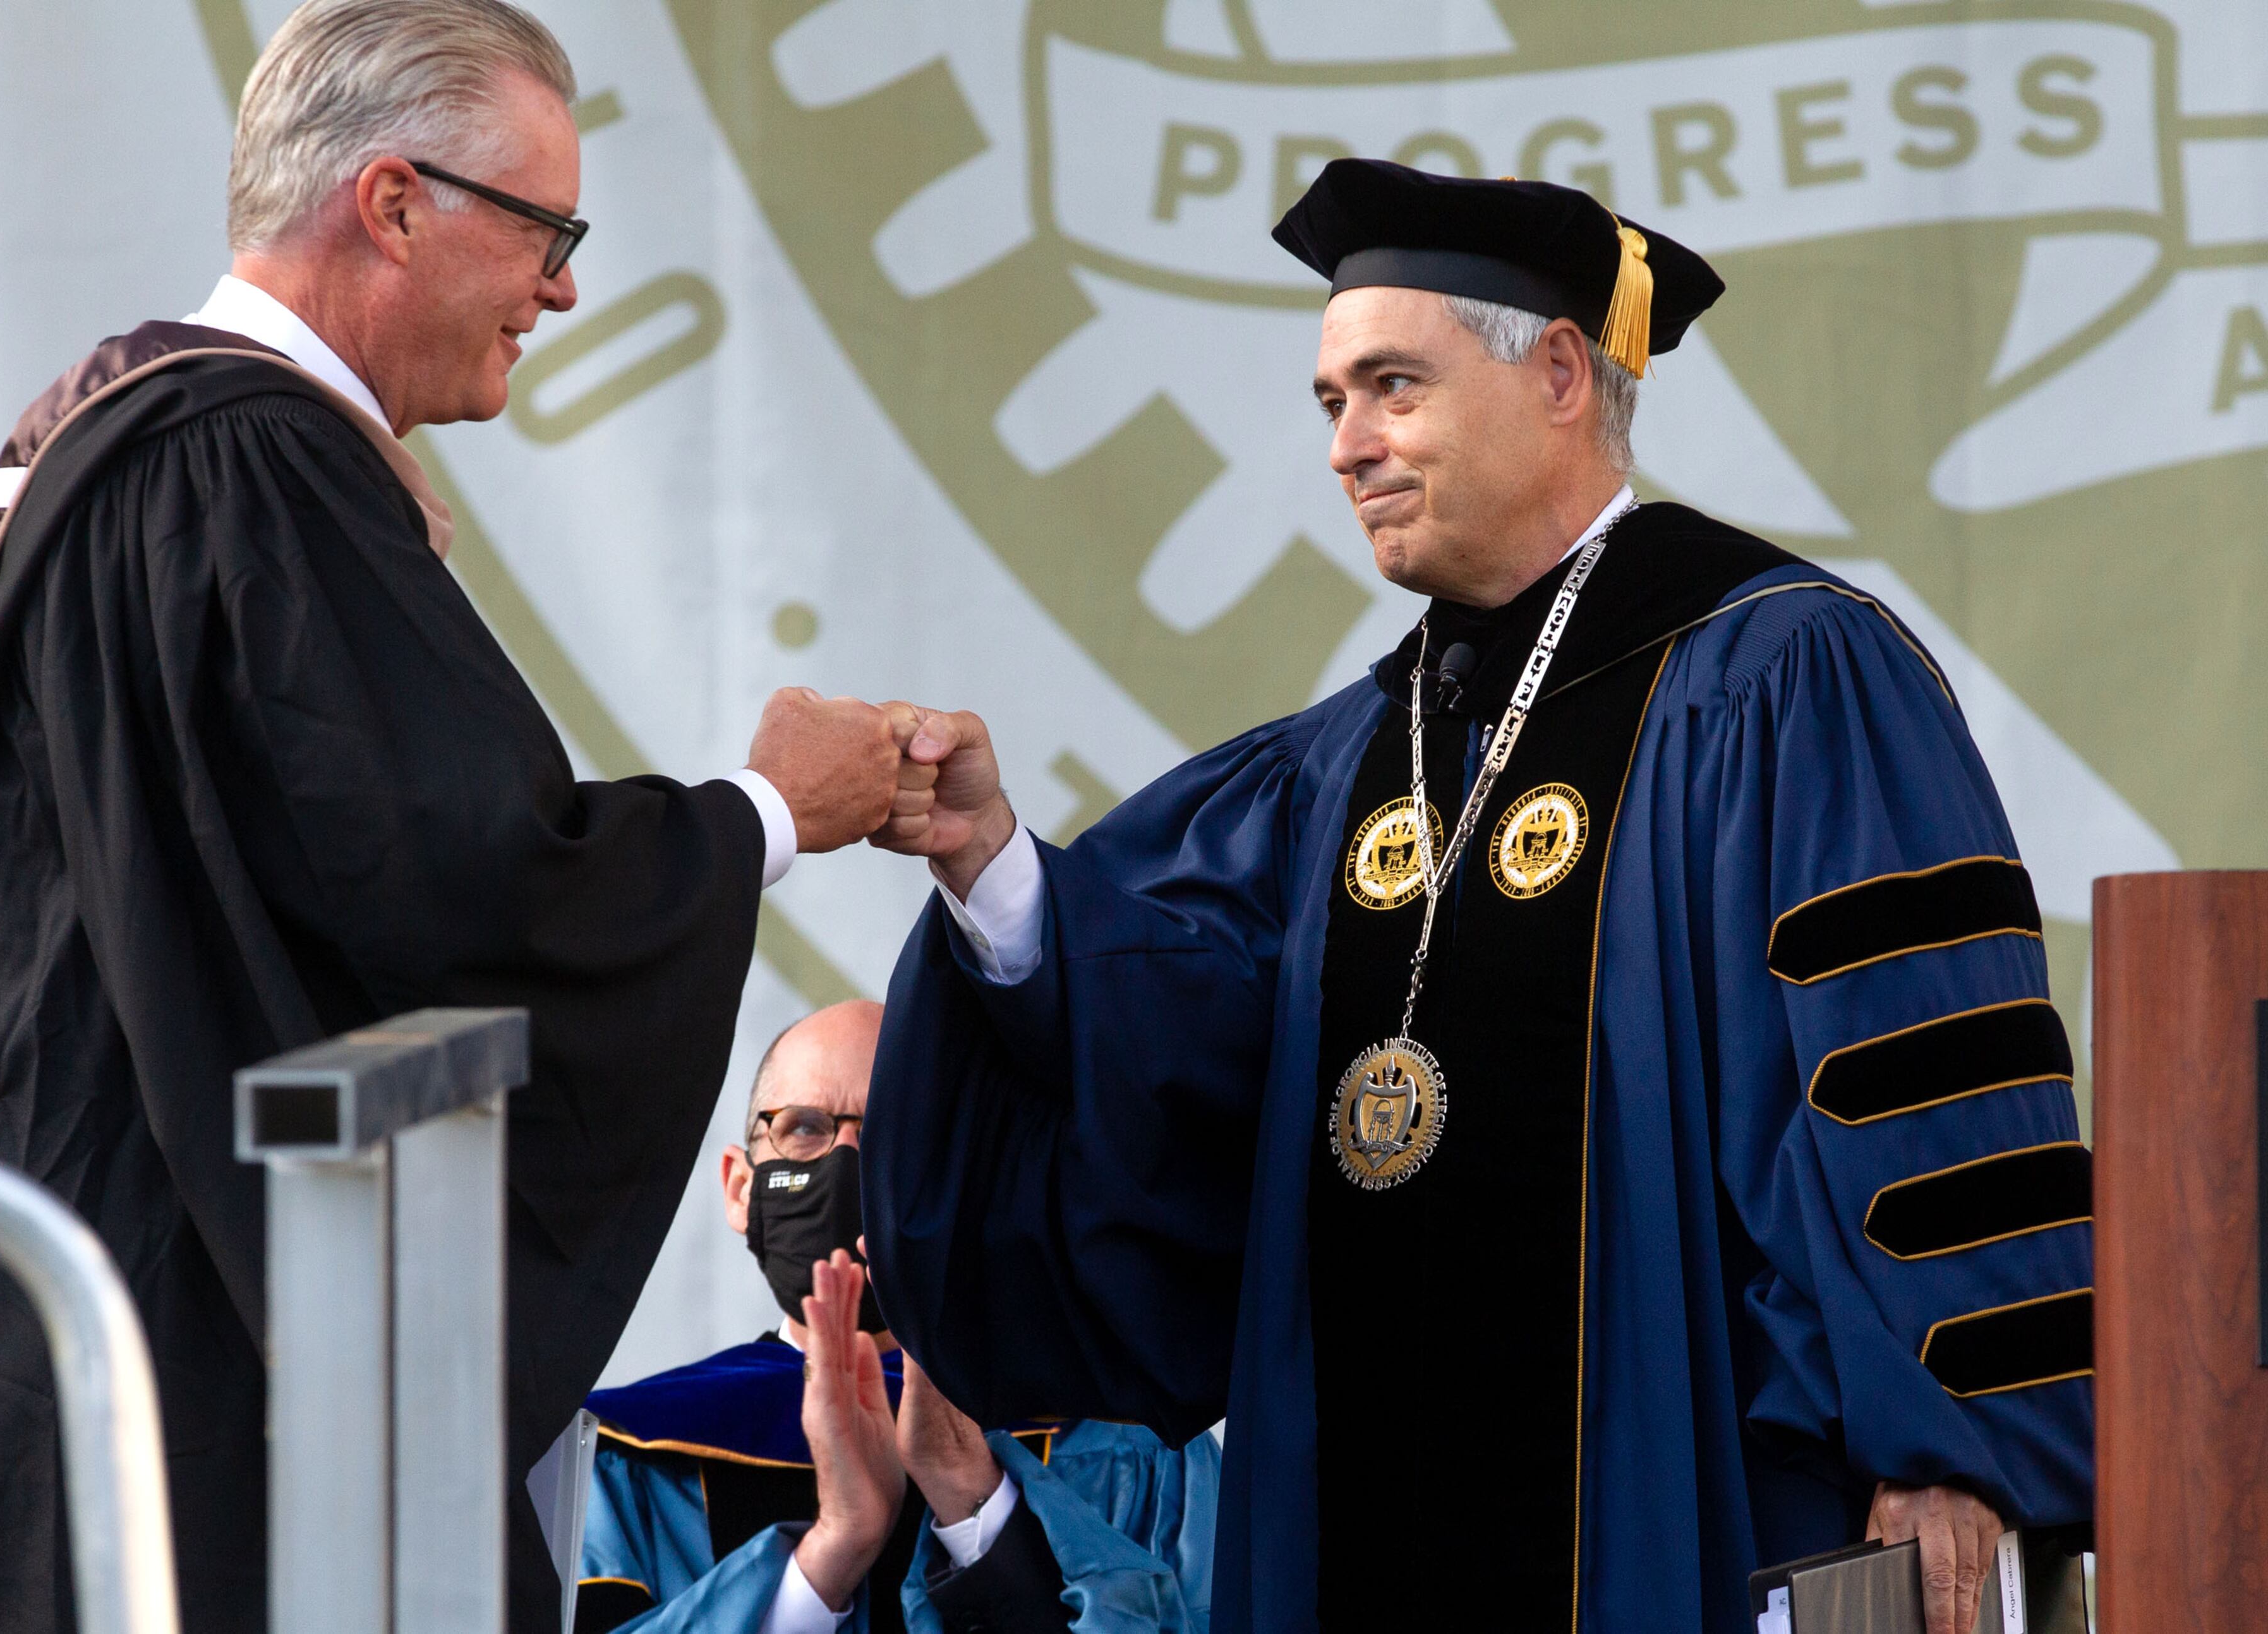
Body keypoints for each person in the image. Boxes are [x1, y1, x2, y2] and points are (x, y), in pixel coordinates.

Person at [862, 160, 2092, 1634]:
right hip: (1358, 1535)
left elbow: (1922, 1098)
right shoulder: (1341, 766)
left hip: (1704, 1509)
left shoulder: (1780, 679)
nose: (1347, 444)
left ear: (1560, 372)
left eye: (1390, 385)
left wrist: (1944, 1443)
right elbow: (1167, 1018)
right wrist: (992, 869)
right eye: (1329, 402)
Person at [0, 5, 923, 1632]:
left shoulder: (108, 439)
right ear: (396, 202)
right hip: (175, 1349)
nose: (561, 286)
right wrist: (771, 805)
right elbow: (462, 893)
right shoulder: (241, 468)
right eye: (546, 231)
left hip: (2, 1345)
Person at [577, 1001, 1219, 1634]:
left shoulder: (1133, 1443)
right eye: (804, 1128)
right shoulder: (623, 1456)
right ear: (741, 1190)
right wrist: (830, 1555)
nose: (849, 1162)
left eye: (896, 1126)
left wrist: (975, 1498)